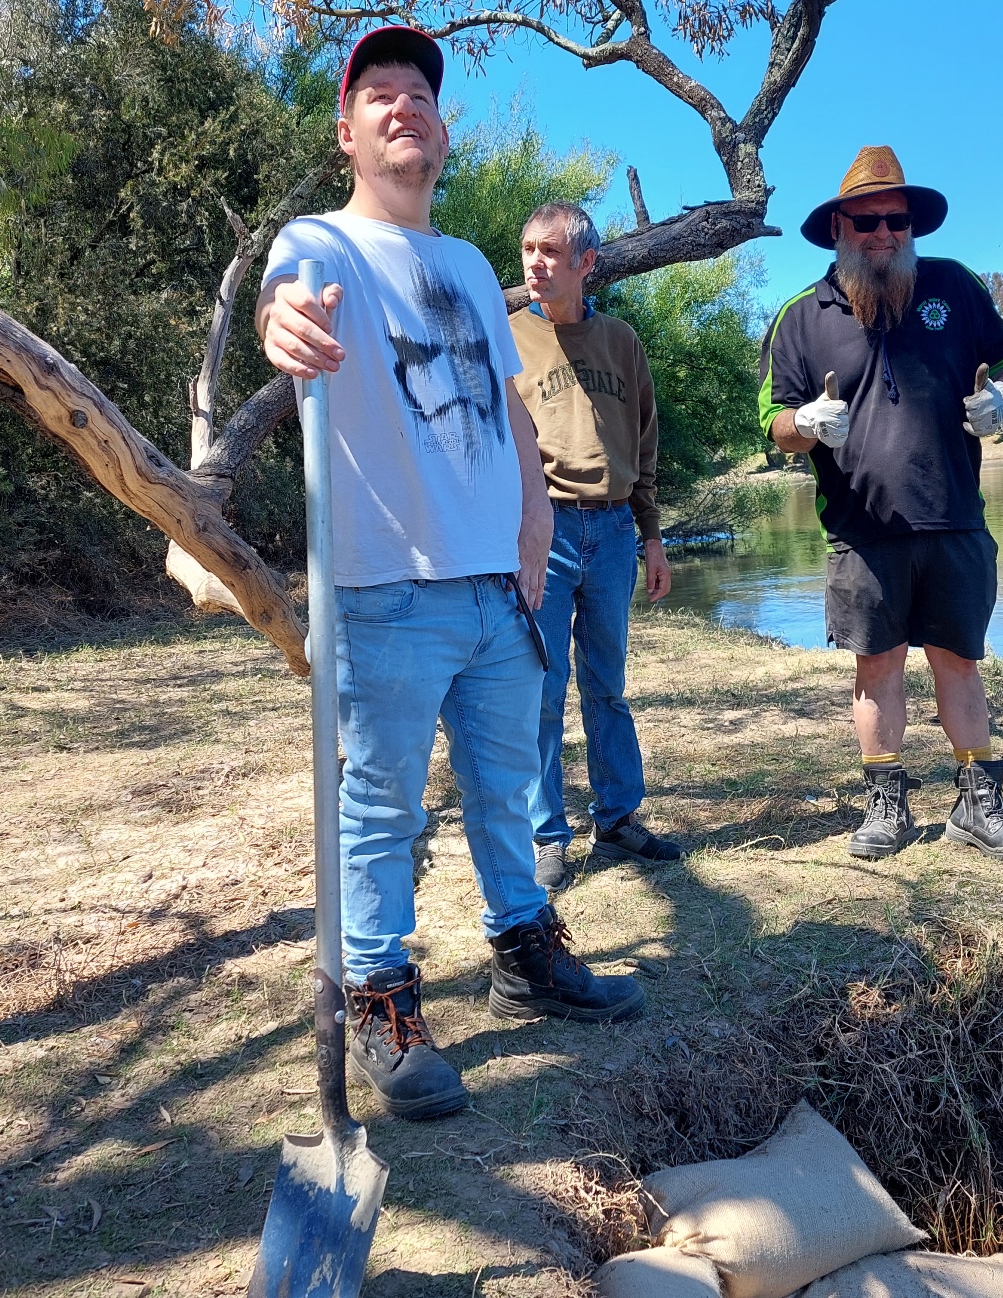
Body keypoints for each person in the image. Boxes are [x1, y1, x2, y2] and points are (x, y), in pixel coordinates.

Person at [254, 26, 643, 1123]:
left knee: (512, 789)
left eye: (418, 94)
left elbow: (513, 414)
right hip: (385, 587)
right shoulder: (319, 245)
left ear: (440, 127)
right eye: (377, 95)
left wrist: (529, 551)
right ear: (346, 130)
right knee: (377, 807)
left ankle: (525, 952)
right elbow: (281, 308)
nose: (402, 107)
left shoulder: (473, 266)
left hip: (493, 588)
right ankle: (379, 1002)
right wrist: (281, 325)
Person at [759, 145, 1003, 864]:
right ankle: (886, 801)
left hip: (954, 516)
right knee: (876, 667)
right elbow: (773, 421)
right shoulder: (802, 316)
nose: (884, 234)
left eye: (896, 221)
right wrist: (806, 424)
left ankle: (979, 801)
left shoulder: (954, 286)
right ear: (838, 230)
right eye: (867, 222)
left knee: (960, 660)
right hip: (861, 530)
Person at [509, 202, 685, 891]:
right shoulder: (507, 336)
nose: (536, 263)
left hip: (612, 530)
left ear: (587, 263)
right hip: (542, 529)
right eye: (529, 249)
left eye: (552, 252)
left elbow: (644, 446)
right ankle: (546, 834)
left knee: (606, 685)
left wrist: (652, 538)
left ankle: (616, 818)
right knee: (543, 688)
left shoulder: (621, 341)